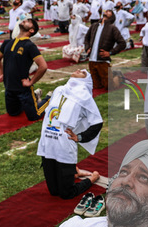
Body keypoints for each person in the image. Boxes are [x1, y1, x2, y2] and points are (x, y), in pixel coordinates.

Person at [36, 69, 103, 199]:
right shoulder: (59, 89)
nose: (78, 70)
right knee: (54, 191)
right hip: (48, 142)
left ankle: (93, 178)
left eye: (83, 72)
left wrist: (80, 137)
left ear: (86, 80)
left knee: (66, 193)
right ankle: (74, 173)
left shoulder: (85, 97)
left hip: (64, 146)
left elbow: (97, 122)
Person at [0, 18, 49, 121]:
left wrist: (31, 81)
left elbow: (43, 66)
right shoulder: (7, 43)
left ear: (31, 30)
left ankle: (49, 98)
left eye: (28, 21)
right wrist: (1, 73)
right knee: (13, 113)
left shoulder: (29, 46)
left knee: (34, 116)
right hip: (9, 88)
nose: (24, 20)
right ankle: (36, 96)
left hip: (23, 90)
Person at [84, 9, 126, 90]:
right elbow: (86, 38)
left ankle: (118, 76)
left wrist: (110, 52)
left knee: (109, 87)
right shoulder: (94, 25)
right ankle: (112, 74)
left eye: (109, 12)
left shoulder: (112, 28)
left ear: (112, 17)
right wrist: (87, 48)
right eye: (106, 11)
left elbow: (122, 43)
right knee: (97, 86)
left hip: (102, 61)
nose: (106, 11)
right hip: (92, 60)